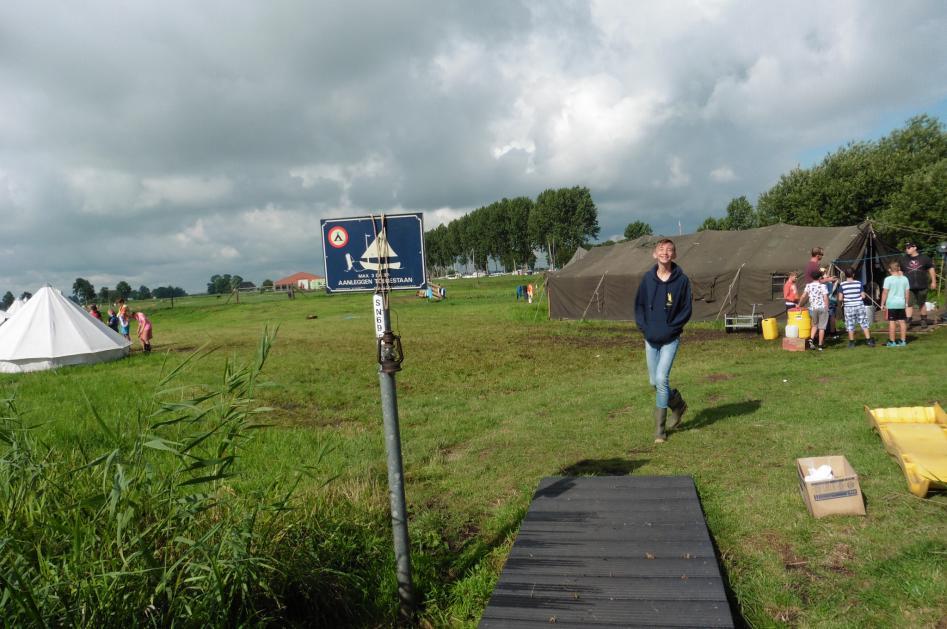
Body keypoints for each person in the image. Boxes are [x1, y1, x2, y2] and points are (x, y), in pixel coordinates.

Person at [634, 238, 692, 444]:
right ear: (654, 254)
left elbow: (686, 310)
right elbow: (639, 305)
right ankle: (678, 405)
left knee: (661, 380)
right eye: (661, 249)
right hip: (650, 339)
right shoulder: (647, 280)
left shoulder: (681, 281)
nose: (665, 253)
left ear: (674, 255)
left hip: (670, 339)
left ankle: (660, 431)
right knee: (653, 382)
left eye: (669, 250)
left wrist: (672, 328)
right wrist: (644, 327)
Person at [900, 242, 937, 328]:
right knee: (908, 304)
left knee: (922, 303)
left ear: (915, 247)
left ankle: (923, 320)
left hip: (922, 285)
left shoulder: (924, 258)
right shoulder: (903, 259)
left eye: (909, 247)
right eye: (906, 248)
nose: (907, 249)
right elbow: (901, 271)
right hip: (908, 286)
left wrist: (934, 281)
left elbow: (931, 269)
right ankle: (908, 320)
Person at [838, 267, 875, 348]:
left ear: (845, 275)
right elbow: (863, 296)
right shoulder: (858, 283)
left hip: (848, 307)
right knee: (863, 322)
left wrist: (847, 299)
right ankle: (868, 340)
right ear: (853, 274)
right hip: (859, 305)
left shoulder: (842, 285)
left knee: (850, 324)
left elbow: (840, 298)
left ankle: (851, 342)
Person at [798, 269, 829, 351]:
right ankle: (820, 345)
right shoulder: (823, 286)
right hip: (822, 307)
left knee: (814, 325)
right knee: (822, 327)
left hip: (813, 308)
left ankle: (811, 339)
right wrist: (827, 307)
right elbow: (825, 297)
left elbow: (803, 296)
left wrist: (799, 304)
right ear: (820, 277)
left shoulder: (808, 285)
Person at [881, 259, 910, 346]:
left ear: (890, 270)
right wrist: (906, 303)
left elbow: (885, 292)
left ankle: (892, 341)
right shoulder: (905, 279)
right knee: (902, 322)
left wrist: (882, 303)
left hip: (891, 304)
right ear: (899, 268)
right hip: (901, 303)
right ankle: (903, 341)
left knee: (892, 322)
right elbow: (907, 292)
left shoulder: (888, 279)